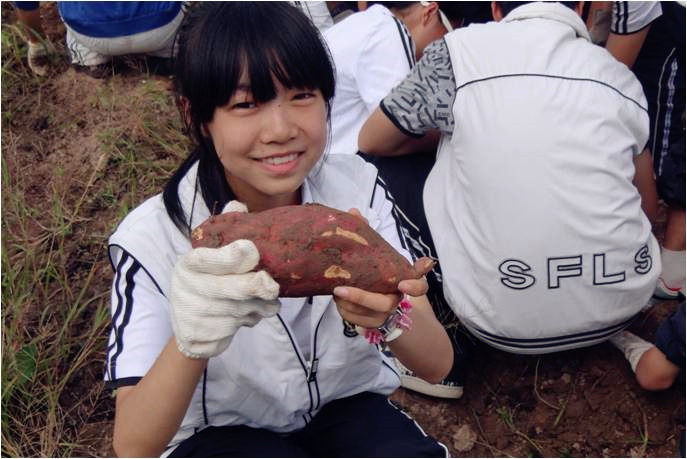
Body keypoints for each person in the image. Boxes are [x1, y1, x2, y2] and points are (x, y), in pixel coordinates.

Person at [103, 3, 452, 457]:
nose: (281, 129)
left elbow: (438, 363)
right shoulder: (151, 240)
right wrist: (193, 339)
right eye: (246, 104)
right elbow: (133, 446)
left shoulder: (357, 193)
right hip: (220, 435)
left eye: (303, 95)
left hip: (344, 410)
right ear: (197, 117)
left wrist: (389, 317)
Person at [359, 1, 661, 357]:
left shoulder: (456, 55)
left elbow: (371, 141)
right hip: (623, 304)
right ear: (581, 8)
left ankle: (433, 316)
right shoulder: (618, 75)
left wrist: (452, 135)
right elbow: (647, 204)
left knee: (381, 168)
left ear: (495, 9)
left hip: (498, 325)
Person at [324, 1, 491, 400]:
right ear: (430, 12)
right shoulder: (387, 33)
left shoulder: (363, 25)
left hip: (334, 169)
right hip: (344, 181)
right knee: (426, 172)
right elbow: (399, 129)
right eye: (445, 38)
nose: (439, 50)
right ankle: (430, 329)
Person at [606, 1, 686, 300]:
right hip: (630, 35)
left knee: (662, 140)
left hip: (668, 34)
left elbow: (610, 71)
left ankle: (674, 260)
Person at [13, 2, 185, 78]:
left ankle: (92, 60)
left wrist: (37, 44)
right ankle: (166, 56)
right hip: (161, 26)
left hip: (92, 32)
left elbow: (25, 3)